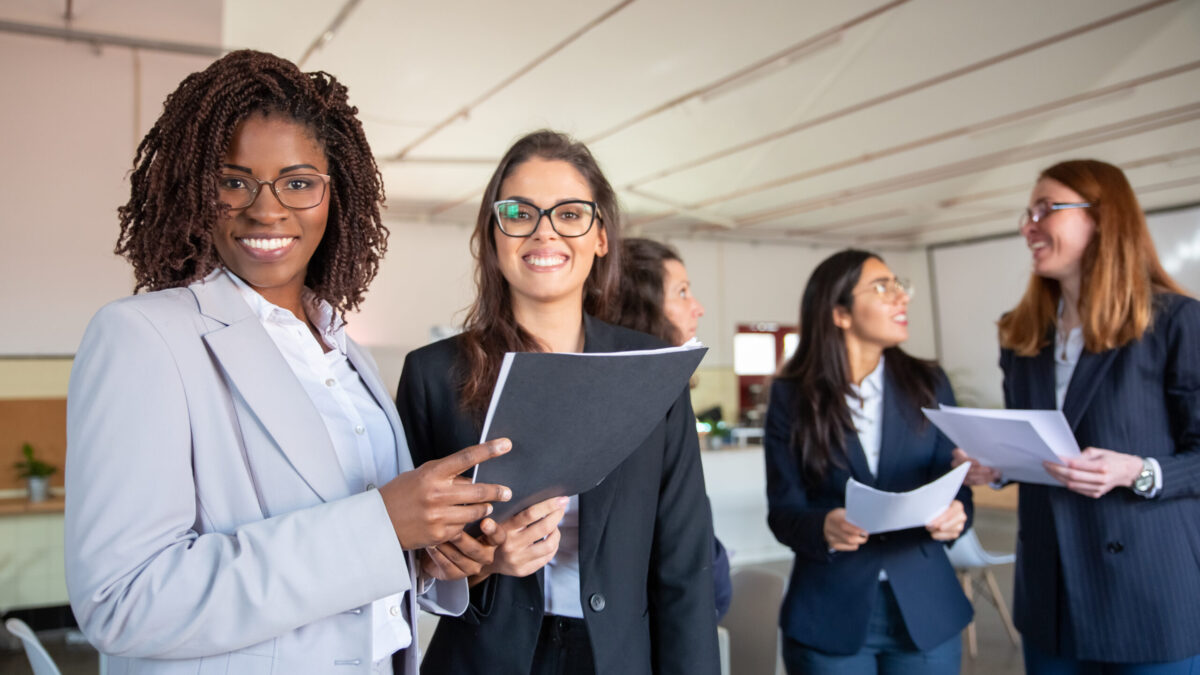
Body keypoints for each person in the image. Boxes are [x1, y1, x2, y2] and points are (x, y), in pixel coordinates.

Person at [64, 50, 513, 675]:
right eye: (234, 180)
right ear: (198, 189)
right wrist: (380, 526)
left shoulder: (341, 348)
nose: (267, 209)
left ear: (337, 195)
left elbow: (371, 563)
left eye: (298, 182)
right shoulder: (143, 336)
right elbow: (123, 601)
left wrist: (430, 552)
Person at [395, 130, 720, 675]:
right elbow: (405, 559)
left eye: (569, 214)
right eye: (520, 212)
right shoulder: (434, 374)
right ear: (493, 234)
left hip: (618, 656)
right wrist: (484, 564)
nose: (544, 232)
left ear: (600, 237)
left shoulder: (652, 367)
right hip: (483, 658)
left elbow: (684, 563)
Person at [953, 159, 1200, 673]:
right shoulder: (1020, 334)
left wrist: (1137, 470)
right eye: (1028, 212)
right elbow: (1040, 447)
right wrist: (994, 466)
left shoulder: (1177, 322)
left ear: (1104, 220)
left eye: (1047, 209)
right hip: (1050, 596)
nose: (1029, 226)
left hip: (1148, 596)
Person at [765, 249, 972, 674]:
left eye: (900, 286)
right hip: (828, 612)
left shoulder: (930, 383)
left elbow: (955, 482)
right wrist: (822, 527)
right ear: (840, 313)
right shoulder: (792, 396)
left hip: (926, 609)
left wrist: (959, 515)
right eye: (882, 287)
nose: (901, 298)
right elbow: (783, 512)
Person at [616, 237, 731, 621]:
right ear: (640, 307)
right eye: (681, 293)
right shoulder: (630, 408)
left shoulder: (668, 395)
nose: (697, 308)